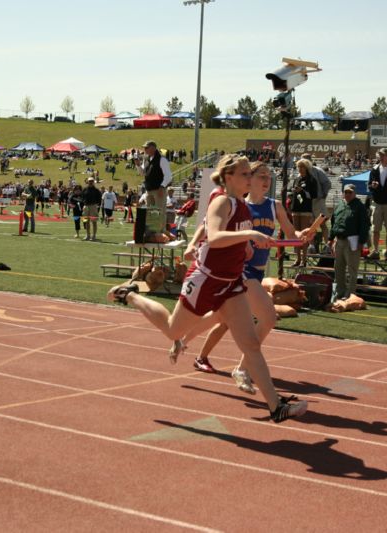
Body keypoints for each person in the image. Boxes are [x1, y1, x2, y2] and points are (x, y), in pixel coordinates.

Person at [107, 154, 308, 423]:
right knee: (172, 330)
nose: (250, 178)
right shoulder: (223, 201)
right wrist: (249, 236)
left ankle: (276, 406)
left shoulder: (243, 207)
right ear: (229, 177)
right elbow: (214, 237)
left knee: (250, 344)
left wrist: (250, 247)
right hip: (206, 279)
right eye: (245, 174)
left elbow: (241, 247)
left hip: (231, 282)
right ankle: (130, 294)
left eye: (251, 174)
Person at [176, 162, 315, 386]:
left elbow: (291, 234)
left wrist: (302, 236)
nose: (266, 180)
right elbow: (207, 226)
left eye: (269, 176)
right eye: (261, 176)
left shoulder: (275, 206)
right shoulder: (238, 204)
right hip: (240, 268)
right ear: (249, 179)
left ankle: (184, 341)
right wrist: (192, 244)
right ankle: (242, 368)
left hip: (257, 273)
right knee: (268, 317)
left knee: (222, 318)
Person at [329, 184, 370, 302]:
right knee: (338, 268)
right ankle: (340, 292)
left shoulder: (360, 206)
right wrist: (330, 238)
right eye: (345, 192)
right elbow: (334, 223)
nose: (347, 194)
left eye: (350, 192)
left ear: (354, 193)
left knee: (352, 269)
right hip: (339, 240)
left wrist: (361, 242)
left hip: (352, 241)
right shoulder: (340, 205)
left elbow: (364, 225)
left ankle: (350, 294)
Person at [135, 140, 172, 238]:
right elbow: (143, 173)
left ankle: (161, 232)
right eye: (144, 148)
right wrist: (138, 165)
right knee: (150, 212)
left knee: (160, 211)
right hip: (149, 190)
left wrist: (162, 186)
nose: (144, 149)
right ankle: (152, 233)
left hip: (159, 190)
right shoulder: (146, 159)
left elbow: (168, 176)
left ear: (153, 148)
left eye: (146, 148)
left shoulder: (162, 159)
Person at [289, 158, 317, 266]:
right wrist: (292, 192)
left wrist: (303, 192)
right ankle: (297, 259)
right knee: (296, 235)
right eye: (298, 167)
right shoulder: (296, 179)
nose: (300, 169)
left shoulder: (311, 180)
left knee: (304, 235)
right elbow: (292, 192)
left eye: (302, 167)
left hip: (306, 209)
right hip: (295, 208)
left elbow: (314, 195)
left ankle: (304, 260)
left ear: (307, 168)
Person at [302, 153, 331, 248]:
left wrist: (323, 196)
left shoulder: (317, 171)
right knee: (310, 224)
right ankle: (312, 246)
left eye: (306, 160)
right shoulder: (301, 172)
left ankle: (327, 244)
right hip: (307, 202)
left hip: (318, 200)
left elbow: (327, 183)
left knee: (322, 223)